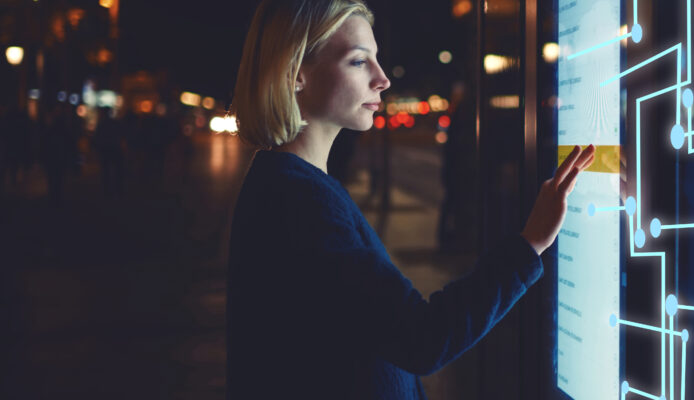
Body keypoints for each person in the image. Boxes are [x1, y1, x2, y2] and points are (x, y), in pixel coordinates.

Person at [224, 1, 595, 398]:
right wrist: (531, 243)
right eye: (358, 61)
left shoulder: (293, 186)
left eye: (376, 60)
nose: (382, 79)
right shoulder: (299, 200)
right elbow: (422, 338)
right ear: (296, 73)